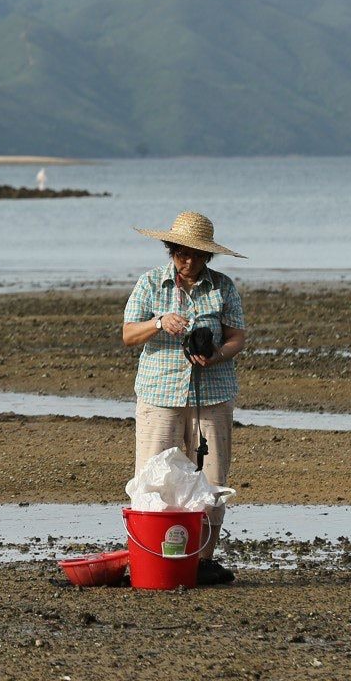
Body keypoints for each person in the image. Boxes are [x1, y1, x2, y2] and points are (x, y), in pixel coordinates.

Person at [122, 211, 248, 586]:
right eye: (180, 251)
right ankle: (150, 554)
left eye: (194, 253)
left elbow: (237, 337)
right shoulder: (149, 284)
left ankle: (203, 560)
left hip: (212, 393)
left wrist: (215, 354)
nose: (186, 259)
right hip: (159, 392)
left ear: (207, 255)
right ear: (170, 248)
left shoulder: (222, 287)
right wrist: (159, 322)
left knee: (211, 478)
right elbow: (128, 334)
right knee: (151, 476)